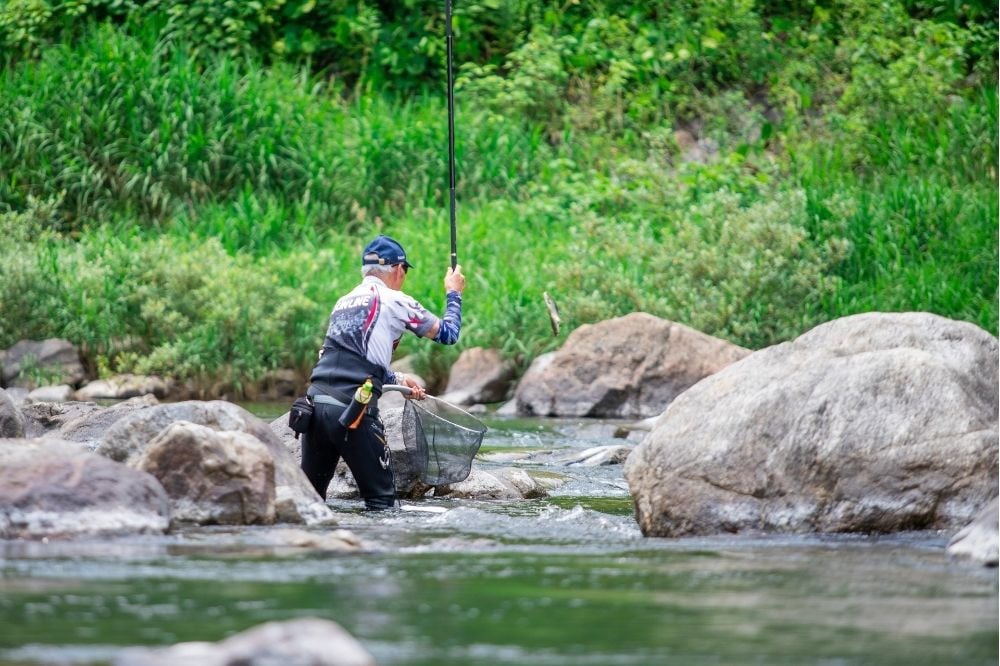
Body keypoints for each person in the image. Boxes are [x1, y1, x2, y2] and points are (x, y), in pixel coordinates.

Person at [300, 235, 466, 510]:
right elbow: (448, 334)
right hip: (353, 411)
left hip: (315, 406)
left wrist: (397, 379)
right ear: (399, 269)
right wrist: (454, 293)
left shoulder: (344, 301)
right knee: (382, 505)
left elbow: (341, 359)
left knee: (310, 503)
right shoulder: (395, 300)